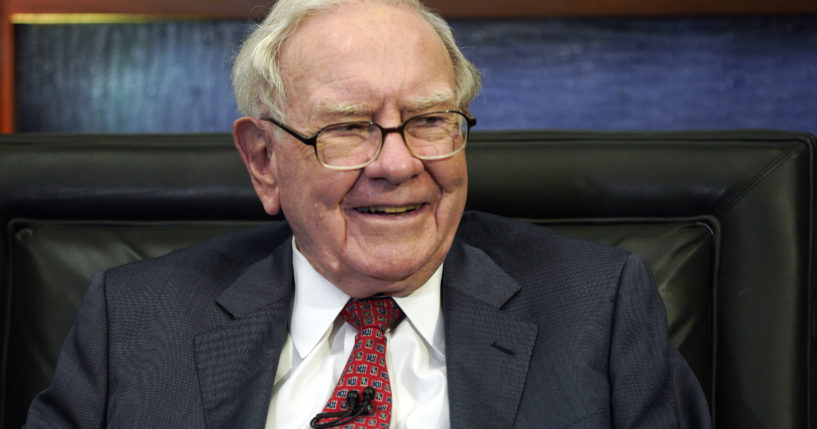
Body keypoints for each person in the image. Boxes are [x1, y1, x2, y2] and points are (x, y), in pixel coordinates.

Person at [24, 0, 711, 427]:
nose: (398, 163)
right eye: (349, 127)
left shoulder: (599, 304)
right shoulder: (137, 321)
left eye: (429, 120)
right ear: (263, 160)